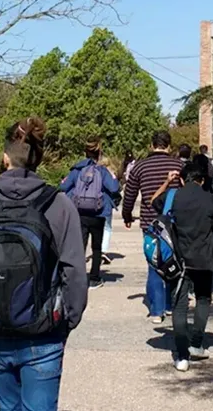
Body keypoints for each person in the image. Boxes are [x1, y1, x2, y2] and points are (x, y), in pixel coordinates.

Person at [0, 118, 88, 411]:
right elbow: (75, 272)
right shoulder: (59, 204)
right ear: (38, 158)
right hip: (44, 333)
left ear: (5, 157)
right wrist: (68, 321)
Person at [152, 163, 213, 372]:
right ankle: (196, 343)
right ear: (202, 180)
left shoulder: (173, 197)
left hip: (178, 261)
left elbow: (152, 202)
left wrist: (167, 182)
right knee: (203, 299)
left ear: (183, 180)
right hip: (203, 259)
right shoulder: (212, 201)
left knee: (179, 305)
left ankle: (182, 356)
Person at [123, 130, 184, 324]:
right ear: (169, 146)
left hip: (150, 222)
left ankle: (157, 310)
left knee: (154, 263)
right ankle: (169, 304)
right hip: (174, 221)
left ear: (151, 145)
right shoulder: (179, 165)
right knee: (172, 260)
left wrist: (127, 215)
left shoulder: (140, 167)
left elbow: (130, 194)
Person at [59, 139, 119, 288]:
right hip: (98, 213)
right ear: (99, 153)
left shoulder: (77, 170)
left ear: (85, 152)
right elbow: (114, 188)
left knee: (80, 246)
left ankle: (77, 277)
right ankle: (94, 277)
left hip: (79, 212)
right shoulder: (103, 171)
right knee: (96, 247)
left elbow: (63, 186)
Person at [98, 156, 119, 265]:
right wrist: (114, 177)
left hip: (90, 206)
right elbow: (114, 188)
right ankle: (103, 251)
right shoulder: (107, 173)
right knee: (107, 228)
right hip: (105, 205)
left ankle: (94, 250)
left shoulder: (91, 170)